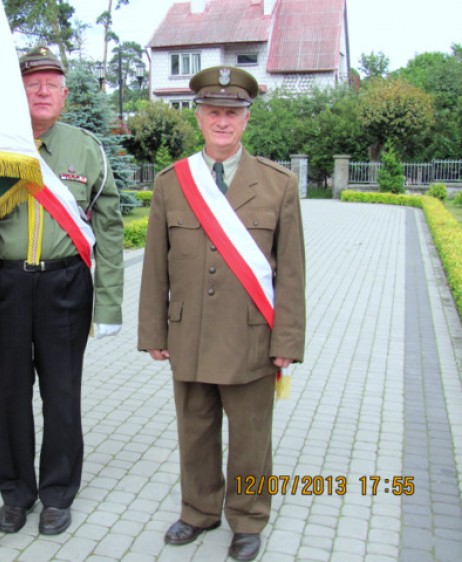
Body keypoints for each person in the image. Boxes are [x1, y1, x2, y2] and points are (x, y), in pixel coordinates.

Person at [137, 66, 306, 561]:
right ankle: (198, 510)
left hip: (251, 337)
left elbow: (291, 274)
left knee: (251, 436)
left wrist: (287, 344)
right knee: (195, 430)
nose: (223, 121)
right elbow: (154, 267)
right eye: (214, 112)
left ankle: (249, 518)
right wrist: (153, 331)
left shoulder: (278, 185)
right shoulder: (173, 183)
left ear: (246, 119)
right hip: (188, 334)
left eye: (232, 112)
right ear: (199, 116)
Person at [0, 46, 124, 536]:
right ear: (17, 91)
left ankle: (58, 493)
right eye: (32, 83)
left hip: (66, 283)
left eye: (51, 83)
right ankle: (16, 492)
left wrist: (109, 303)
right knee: (7, 395)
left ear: (64, 95)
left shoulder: (86, 149)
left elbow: (108, 230)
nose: (42, 91)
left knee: (62, 394)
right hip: (4, 285)